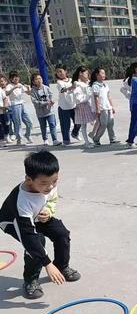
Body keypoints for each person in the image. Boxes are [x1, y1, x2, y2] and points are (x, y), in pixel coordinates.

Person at [0, 151, 81, 299]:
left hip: (37, 215)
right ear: (29, 179)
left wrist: (49, 211)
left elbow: (51, 199)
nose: (50, 186)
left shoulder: (49, 183)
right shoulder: (22, 201)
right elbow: (28, 236)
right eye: (44, 183)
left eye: (55, 181)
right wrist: (47, 264)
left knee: (61, 233)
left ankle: (61, 266)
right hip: (13, 222)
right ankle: (31, 280)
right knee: (36, 242)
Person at [90, 67, 120, 146]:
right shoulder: (95, 85)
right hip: (102, 108)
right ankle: (96, 138)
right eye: (102, 73)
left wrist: (112, 106)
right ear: (97, 75)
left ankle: (112, 139)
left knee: (110, 123)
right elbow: (96, 98)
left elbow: (108, 96)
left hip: (108, 107)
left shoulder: (105, 85)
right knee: (103, 125)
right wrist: (97, 109)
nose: (104, 75)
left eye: (104, 73)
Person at [30, 73, 61, 146]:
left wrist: (51, 101)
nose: (39, 80)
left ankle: (54, 140)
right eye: (36, 79)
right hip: (40, 113)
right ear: (33, 82)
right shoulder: (33, 91)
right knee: (43, 126)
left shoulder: (46, 87)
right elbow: (35, 102)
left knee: (52, 124)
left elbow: (51, 96)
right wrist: (45, 103)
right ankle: (45, 139)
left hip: (50, 111)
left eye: (40, 78)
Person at [70, 66, 96, 148]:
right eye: (86, 73)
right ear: (80, 73)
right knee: (84, 125)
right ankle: (87, 142)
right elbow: (78, 99)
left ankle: (89, 139)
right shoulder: (77, 84)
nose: (87, 75)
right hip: (82, 106)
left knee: (93, 121)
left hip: (87, 105)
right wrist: (87, 96)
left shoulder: (84, 83)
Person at [5, 72, 33, 145]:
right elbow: (6, 93)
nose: (16, 78)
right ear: (11, 79)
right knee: (18, 123)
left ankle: (27, 135)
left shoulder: (20, 85)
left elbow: (28, 93)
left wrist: (28, 88)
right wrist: (13, 88)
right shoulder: (9, 85)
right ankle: (19, 139)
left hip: (22, 104)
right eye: (14, 77)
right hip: (15, 105)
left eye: (17, 77)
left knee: (29, 122)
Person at [55, 65, 81, 145]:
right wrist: (71, 87)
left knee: (78, 122)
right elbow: (62, 90)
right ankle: (66, 141)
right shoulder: (59, 82)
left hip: (73, 105)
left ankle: (75, 133)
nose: (59, 73)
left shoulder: (72, 80)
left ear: (65, 71)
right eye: (57, 72)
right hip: (64, 107)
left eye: (61, 71)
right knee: (65, 125)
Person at [0, 81, 10, 146]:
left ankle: (6, 136)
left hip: (3, 111)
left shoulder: (0, 89)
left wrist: (5, 106)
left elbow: (5, 98)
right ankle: (1, 140)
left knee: (6, 124)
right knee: (0, 126)